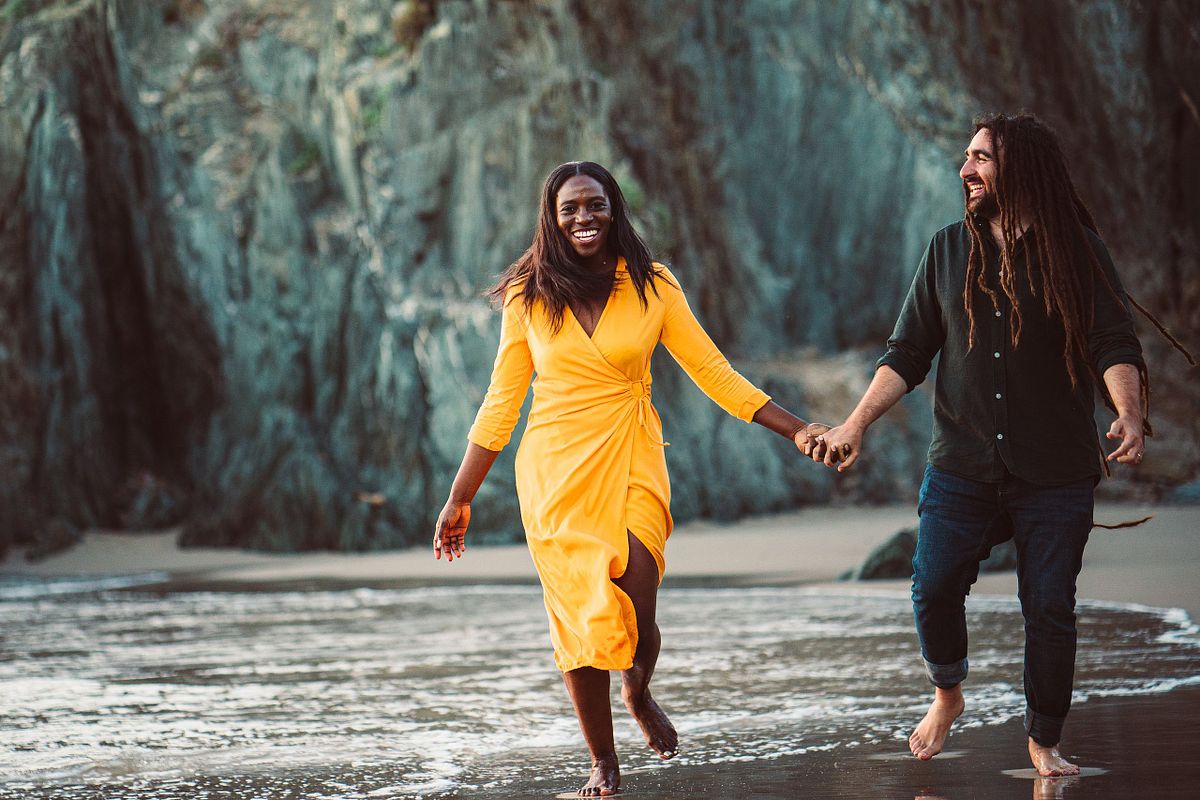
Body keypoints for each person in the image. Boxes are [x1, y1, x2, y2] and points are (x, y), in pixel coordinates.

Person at [433, 161, 828, 797]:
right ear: (551, 219)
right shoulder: (527, 296)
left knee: (638, 593)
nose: (583, 217)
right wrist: (460, 497)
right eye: (569, 209)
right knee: (580, 615)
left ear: (614, 208)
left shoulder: (652, 286)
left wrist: (798, 430)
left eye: (594, 204)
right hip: (556, 470)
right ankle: (603, 761)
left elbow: (714, 373)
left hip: (632, 450)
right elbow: (501, 402)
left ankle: (638, 690)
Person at [807, 113, 1148, 777]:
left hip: (1054, 469)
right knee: (932, 587)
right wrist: (853, 424)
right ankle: (948, 691)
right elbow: (907, 353)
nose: (966, 171)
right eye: (967, 158)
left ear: (1022, 169)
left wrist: (1129, 412)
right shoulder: (945, 251)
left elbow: (1113, 340)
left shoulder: (1077, 252)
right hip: (962, 463)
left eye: (982, 159)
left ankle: (1043, 739)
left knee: (1048, 605)